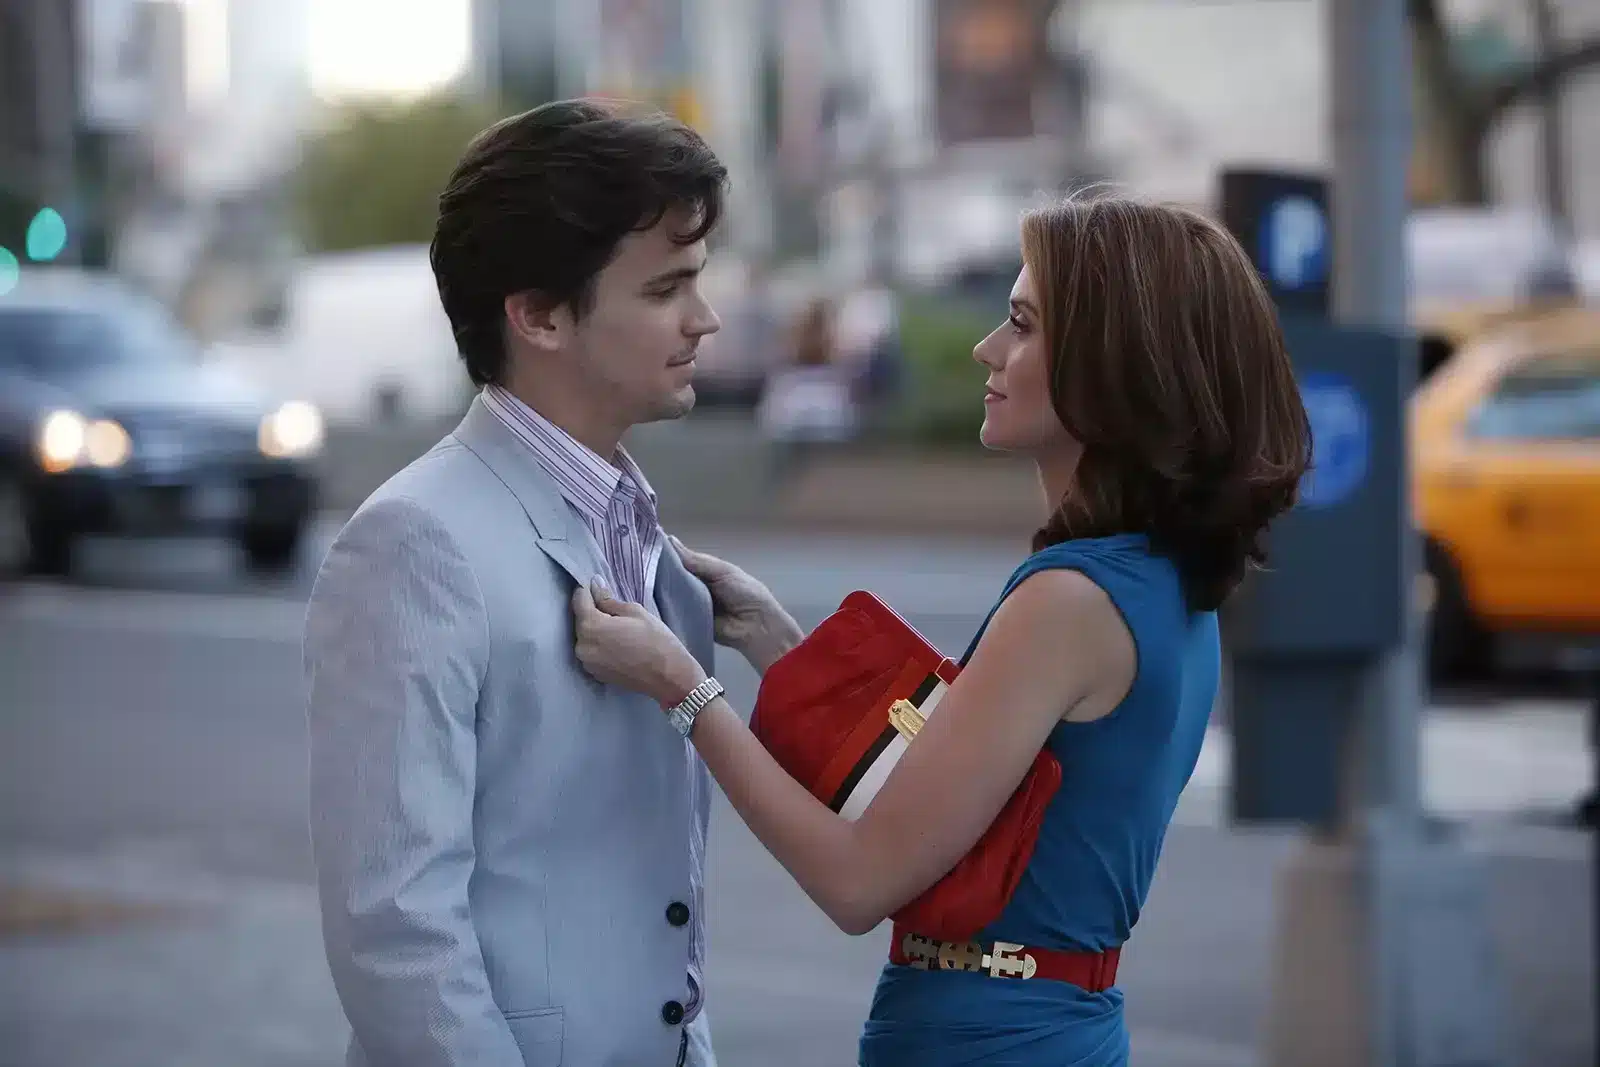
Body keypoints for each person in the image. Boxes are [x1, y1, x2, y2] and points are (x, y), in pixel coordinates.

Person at [571, 194, 1313, 1066]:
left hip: (986, 1038)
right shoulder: (1160, 581)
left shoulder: (1069, 599)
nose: (986, 348)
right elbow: (945, 788)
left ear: (1114, 366)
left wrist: (684, 689)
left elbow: (859, 878)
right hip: (1053, 1026)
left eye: (1023, 325)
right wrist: (775, 638)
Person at [302, 99, 742, 1067]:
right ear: (537, 314)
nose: (703, 318)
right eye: (665, 288)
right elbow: (398, 930)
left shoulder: (646, 537)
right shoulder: (414, 542)